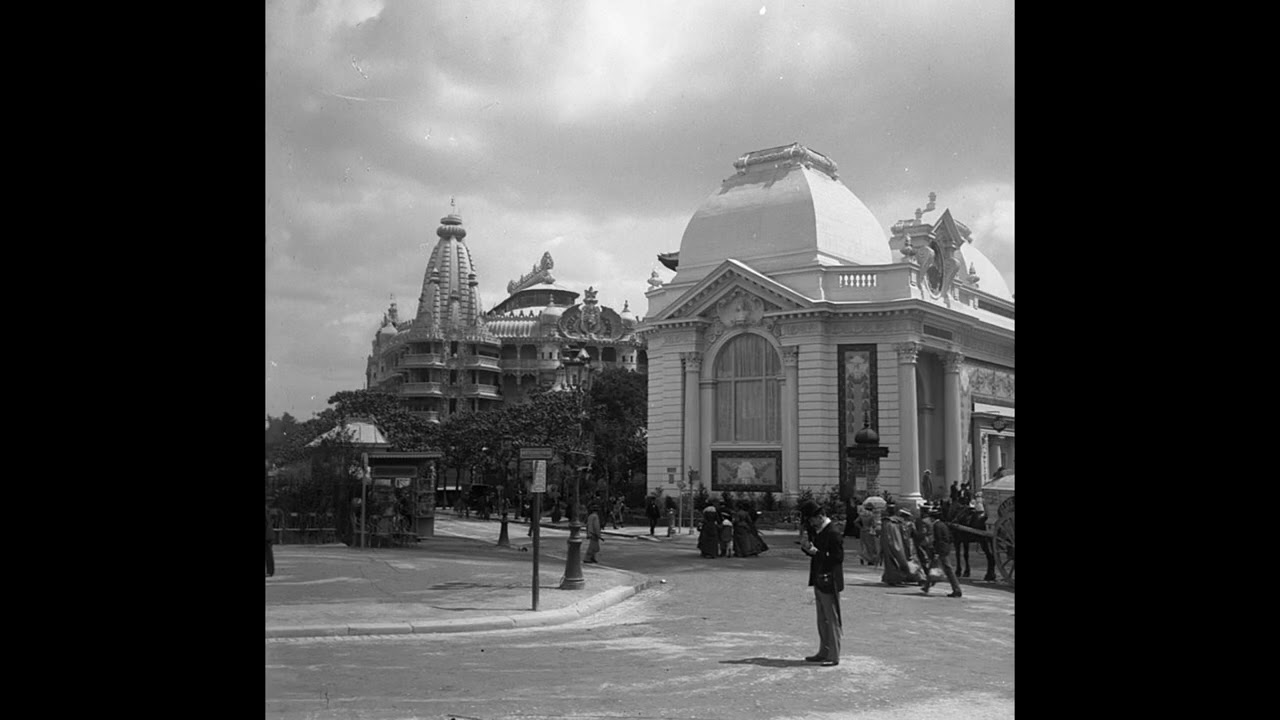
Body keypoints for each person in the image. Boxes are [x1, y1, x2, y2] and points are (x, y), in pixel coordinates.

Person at [798, 500, 843, 667]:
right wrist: (807, 548)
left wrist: (816, 552)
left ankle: (834, 655)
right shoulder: (819, 531)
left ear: (821, 516)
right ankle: (824, 651)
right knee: (822, 619)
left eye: (812, 519)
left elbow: (837, 558)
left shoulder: (833, 532)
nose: (811, 523)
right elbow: (816, 553)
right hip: (819, 577)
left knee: (831, 619)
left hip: (830, 579)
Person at [924, 503, 963, 597]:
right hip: (945, 548)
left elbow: (939, 540)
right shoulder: (942, 525)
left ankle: (957, 589)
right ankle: (926, 586)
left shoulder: (936, 526)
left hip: (941, 550)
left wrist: (936, 551)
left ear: (932, 518)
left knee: (948, 569)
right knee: (933, 566)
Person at [880, 503, 921, 587]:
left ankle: (895, 578)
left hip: (892, 545)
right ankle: (912, 577)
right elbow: (910, 536)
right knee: (907, 560)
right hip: (903, 544)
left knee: (893, 562)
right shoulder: (902, 523)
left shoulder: (887, 522)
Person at [858, 502, 881, 567]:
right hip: (869, 531)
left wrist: (861, 527)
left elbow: (855, 522)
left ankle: (862, 556)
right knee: (871, 546)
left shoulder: (862, 514)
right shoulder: (871, 515)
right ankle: (870, 560)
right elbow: (874, 524)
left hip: (863, 531)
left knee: (864, 544)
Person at [265, 505, 275, 578]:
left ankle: (270, 571)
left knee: (268, 554)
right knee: (268, 554)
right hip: (269, 534)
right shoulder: (267, 510)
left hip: (267, 535)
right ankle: (270, 571)